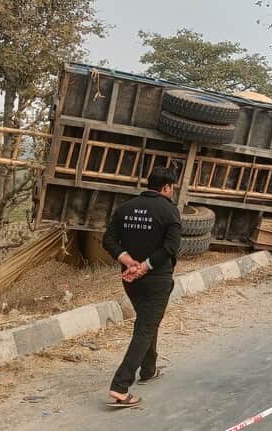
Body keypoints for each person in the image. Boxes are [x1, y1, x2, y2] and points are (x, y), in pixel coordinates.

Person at [102, 167, 182, 407]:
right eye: (172, 188)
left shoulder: (125, 208)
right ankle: (120, 386)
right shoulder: (169, 210)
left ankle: (148, 369)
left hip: (131, 280)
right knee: (145, 328)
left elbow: (108, 240)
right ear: (166, 187)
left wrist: (127, 260)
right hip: (157, 279)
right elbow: (171, 248)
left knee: (147, 321)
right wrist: (145, 266)